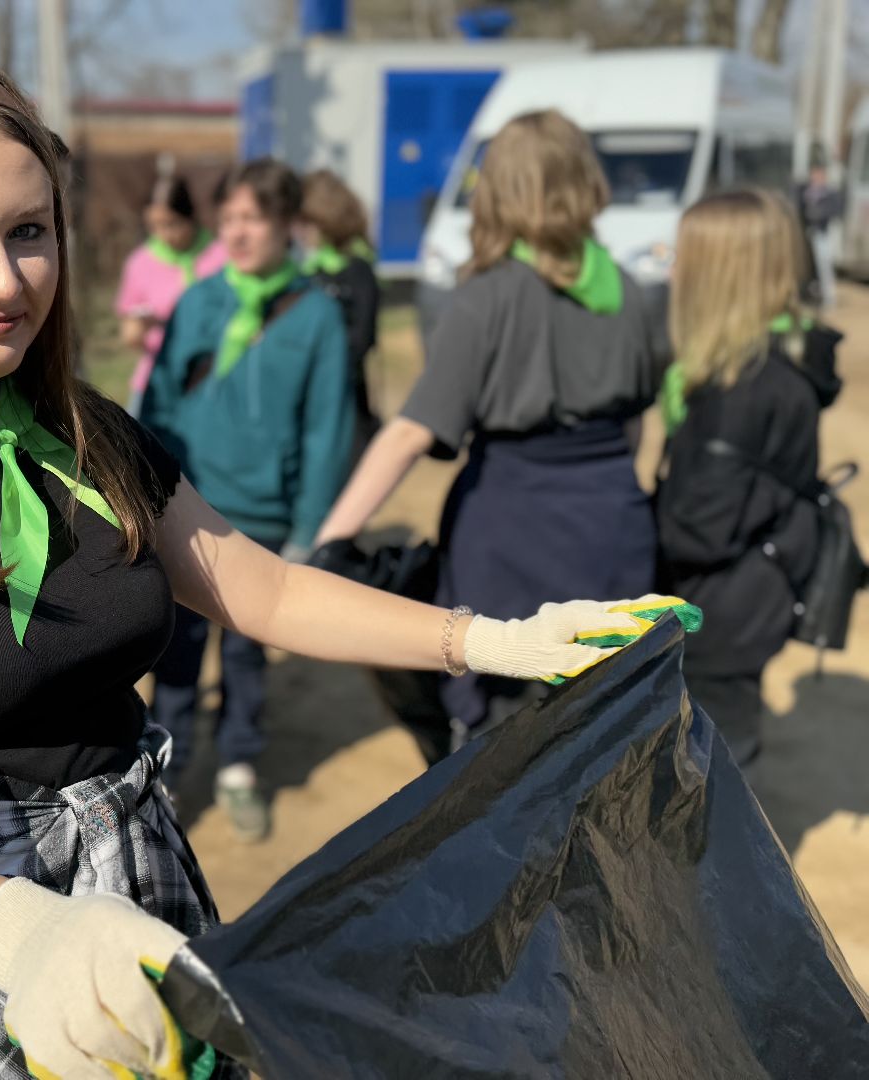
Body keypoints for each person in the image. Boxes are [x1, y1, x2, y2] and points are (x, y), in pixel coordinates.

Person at [0, 55, 672, 1080]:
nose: (5, 278)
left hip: (130, 885)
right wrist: (27, 935)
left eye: (29, 232)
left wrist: (483, 639)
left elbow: (263, 587)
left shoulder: (90, 436)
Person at [314, 110, 666, 746]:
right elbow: (636, 424)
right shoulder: (632, 292)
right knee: (604, 725)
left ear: (497, 191)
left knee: (504, 744)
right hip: (614, 526)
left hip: (508, 534)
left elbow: (411, 432)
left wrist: (331, 542)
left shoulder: (486, 297)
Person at [138, 158, 353, 840]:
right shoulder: (198, 302)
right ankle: (166, 775)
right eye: (227, 218)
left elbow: (327, 430)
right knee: (174, 655)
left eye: (252, 219)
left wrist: (309, 529)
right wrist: (139, 494)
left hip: (262, 522)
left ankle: (239, 767)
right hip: (184, 511)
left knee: (246, 658)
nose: (236, 232)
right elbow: (156, 405)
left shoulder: (319, 317)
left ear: (288, 225)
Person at [656, 189, 843, 770]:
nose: (672, 267)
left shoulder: (738, 389)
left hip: (720, 615)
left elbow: (696, 529)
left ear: (719, 274)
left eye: (684, 255)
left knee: (702, 782)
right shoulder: (784, 360)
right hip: (760, 590)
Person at [115, 174, 225, 416]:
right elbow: (129, 328)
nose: (164, 234)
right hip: (157, 376)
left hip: (212, 377)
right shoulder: (140, 263)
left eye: (171, 223)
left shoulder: (220, 257)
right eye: (154, 226)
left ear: (190, 217)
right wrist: (137, 330)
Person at [296, 168, 382, 459]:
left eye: (305, 222)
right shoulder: (309, 269)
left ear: (326, 218)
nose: (298, 231)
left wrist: (322, 362)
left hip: (346, 400)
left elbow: (363, 337)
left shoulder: (357, 268)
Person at [796, 160, 844, 310]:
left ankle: (829, 299)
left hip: (822, 233)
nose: (816, 177)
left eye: (819, 175)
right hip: (807, 234)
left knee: (825, 266)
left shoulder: (830, 193)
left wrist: (817, 214)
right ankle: (811, 294)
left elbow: (835, 211)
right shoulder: (805, 192)